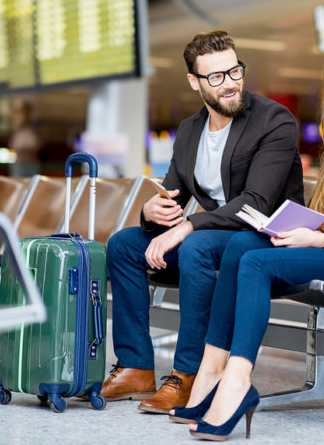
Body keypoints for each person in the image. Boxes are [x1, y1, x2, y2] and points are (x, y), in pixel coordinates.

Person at [171, 34, 324, 440]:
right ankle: (210, 371)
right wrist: (303, 229)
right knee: (241, 244)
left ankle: (237, 381)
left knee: (255, 260)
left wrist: (320, 240)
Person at [102, 30, 304, 414]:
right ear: (194, 82)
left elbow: (257, 204)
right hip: (211, 238)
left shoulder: (273, 120)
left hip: (263, 239)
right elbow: (173, 195)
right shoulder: (190, 130)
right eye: (216, 77)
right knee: (124, 246)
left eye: (234, 71)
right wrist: (153, 212)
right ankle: (136, 366)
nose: (229, 84)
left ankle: (189, 374)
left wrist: (189, 226)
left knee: (195, 244)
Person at [8, 99, 41, 177]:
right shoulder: (18, 132)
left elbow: (37, 145)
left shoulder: (32, 131)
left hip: (31, 164)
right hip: (20, 164)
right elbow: (14, 147)